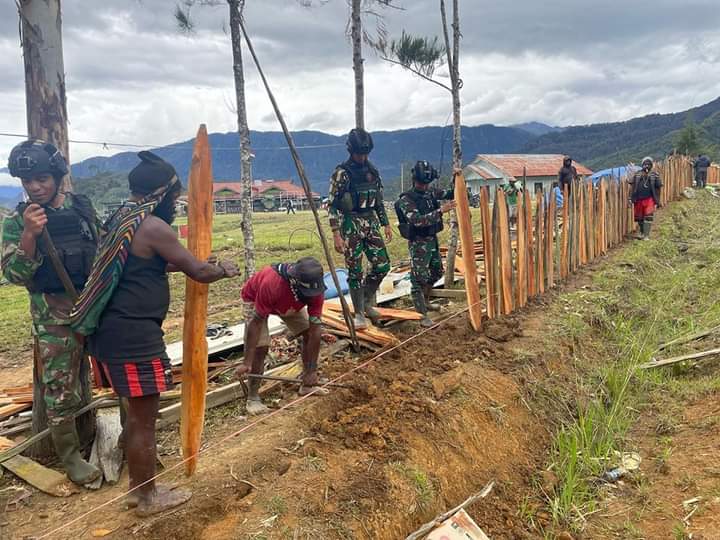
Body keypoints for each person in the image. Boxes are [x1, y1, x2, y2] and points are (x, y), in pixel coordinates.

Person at [73, 151, 239, 516]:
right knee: (143, 418)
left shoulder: (122, 218)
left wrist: (188, 265)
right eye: (175, 194)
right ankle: (146, 497)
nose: (177, 201)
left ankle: (139, 489)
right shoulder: (153, 226)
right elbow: (199, 271)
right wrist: (223, 268)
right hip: (132, 335)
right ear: (163, 192)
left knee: (137, 414)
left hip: (114, 332)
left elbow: (144, 261)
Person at [1, 140, 101, 486]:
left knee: (120, 374)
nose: (34, 187)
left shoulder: (82, 208)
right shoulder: (17, 221)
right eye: (27, 181)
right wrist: (30, 234)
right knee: (59, 391)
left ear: (58, 176)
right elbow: (14, 275)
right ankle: (71, 459)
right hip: (54, 320)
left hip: (95, 308)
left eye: (41, 178)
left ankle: (129, 440)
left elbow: (104, 252)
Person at [236, 257, 327, 415]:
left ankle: (307, 384)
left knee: (307, 332)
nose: (312, 295)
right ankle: (253, 398)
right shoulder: (272, 284)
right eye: (307, 292)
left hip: (290, 301)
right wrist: (247, 361)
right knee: (260, 347)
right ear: (294, 281)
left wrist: (312, 371)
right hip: (255, 299)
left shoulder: (315, 290)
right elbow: (256, 322)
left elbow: (315, 330)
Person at [328, 128, 392, 329]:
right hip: (350, 224)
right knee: (354, 271)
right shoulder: (342, 174)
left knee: (382, 265)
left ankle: (364, 300)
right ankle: (359, 314)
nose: (362, 157)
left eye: (365, 153)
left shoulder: (372, 171)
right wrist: (336, 233)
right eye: (359, 153)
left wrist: (385, 223)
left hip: (370, 222)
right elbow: (332, 204)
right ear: (351, 151)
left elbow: (379, 200)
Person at [395, 161, 456, 327]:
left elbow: (449, 193)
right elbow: (417, 220)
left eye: (426, 183)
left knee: (436, 271)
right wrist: (441, 211)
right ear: (415, 180)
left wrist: (456, 177)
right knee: (418, 278)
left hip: (431, 238)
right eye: (422, 183)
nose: (424, 186)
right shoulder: (406, 199)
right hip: (418, 242)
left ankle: (426, 300)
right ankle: (421, 315)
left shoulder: (430, 192)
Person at [629, 156, 663, 240]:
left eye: (648, 164)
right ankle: (642, 232)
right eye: (645, 164)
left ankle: (646, 235)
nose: (646, 166)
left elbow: (659, 186)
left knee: (648, 216)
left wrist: (657, 200)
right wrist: (630, 198)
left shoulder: (655, 174)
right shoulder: (637, 174)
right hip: (638, 199)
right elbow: (631, 185)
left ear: (651, 165)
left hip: (649, 199)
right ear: (642, 165)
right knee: (640, 218)